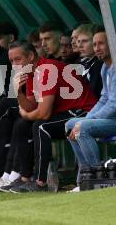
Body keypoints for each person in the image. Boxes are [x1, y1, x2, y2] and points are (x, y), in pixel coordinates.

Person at [7, 41, 97, 193]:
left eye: (18, 59)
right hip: (65, 112)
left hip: (83, 112)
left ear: (30, 56)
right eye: (11, 61)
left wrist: (27, 114)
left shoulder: (46, 69)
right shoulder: (29, 72)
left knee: (41, 126)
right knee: (21, 124)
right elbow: (31, 106)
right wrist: (18, 93)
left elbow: (43, 114)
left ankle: (40, 182)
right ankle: (25, 178)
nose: (15, 65)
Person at [65, 29, 116, 189]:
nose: (97, 48)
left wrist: (86, 122)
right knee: (70, 124)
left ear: (111, 44)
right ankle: (85, 176)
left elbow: (114, 104)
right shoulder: (105, 68)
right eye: (95, 44)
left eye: (101, 44)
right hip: (112, 118)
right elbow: (103, 99)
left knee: (82, 128)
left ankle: (97, 176)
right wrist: (86, 119)